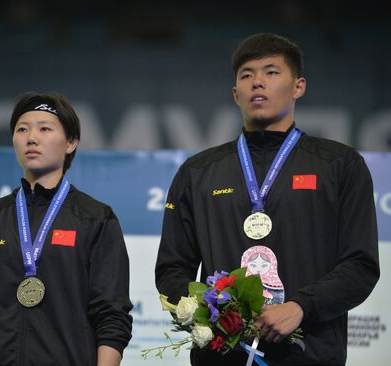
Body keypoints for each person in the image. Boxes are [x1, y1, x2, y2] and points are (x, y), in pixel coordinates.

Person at [155, 33, 379, 365]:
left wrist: (301, 307)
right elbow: (173, 268)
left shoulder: (339, 165)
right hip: (223, 355)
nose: (257, 82)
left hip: (309, 355)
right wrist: (212, 313)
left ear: (298, 86)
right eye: (247, 75)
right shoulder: (197, 172)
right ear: (235, 94)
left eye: (271, 72)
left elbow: (360, 266)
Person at [0, 92, 133, 366]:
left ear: (71, 143)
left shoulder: (96, 218)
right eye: (22, 129)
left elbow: (112, 316)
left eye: (45, 128)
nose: (31, 138)